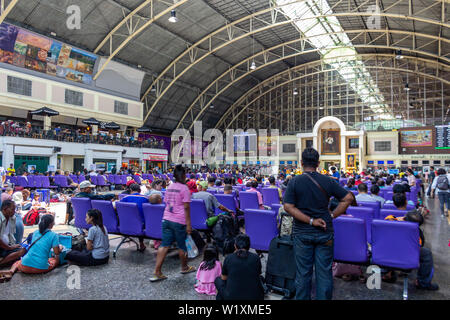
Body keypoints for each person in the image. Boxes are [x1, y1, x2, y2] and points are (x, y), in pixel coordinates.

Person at [283, 148, 353, 300]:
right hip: (324, 232)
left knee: (303, 274)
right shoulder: (328, 181)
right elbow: (348, 198)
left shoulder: (294, 181)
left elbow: (288, 207)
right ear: (318, 163)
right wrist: (333, 215)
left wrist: (309, 220)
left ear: (301, 163)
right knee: (324, 273)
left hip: (302, 233)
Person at [383, 193, 439, 290]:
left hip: (387, 251)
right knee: (426, 254)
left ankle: (386, 272)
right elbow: (419, 245)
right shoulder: (416, 232)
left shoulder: (389, 219)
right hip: (406, 254)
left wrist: (398, 219)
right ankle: (423, 282)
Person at [150, 165, 195, 282]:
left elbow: (166, 202)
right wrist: (189, 224)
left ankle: (157, 272)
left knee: (164, 245)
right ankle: (184, 267)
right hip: (179, 221)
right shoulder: (184, 188)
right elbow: (186, 208)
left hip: (166, 219)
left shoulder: (169, 187)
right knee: (182, 246)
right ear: (184, 175)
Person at [214, 234, 265, 300]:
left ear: (235, 246)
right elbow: (257, 274)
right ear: (249, 246)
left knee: (218, 280)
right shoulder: (256, 258)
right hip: (255, 297)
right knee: (261, 279)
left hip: (232, 297)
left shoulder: (229, 258)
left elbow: (224, 278)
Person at [120, 184, 149, 252]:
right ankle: (141, 243)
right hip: (141, 224)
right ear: (140, 190)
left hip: (125, 224)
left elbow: (116, 207)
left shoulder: (125, 198)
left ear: (130, 190)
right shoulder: (146, 198)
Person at [0, 200, 26, 268]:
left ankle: (3, 261)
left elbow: (10, 235)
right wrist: (9, 248)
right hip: (3, 247)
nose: (14, 211)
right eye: (12, 209)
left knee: (23, 250)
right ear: (5, 209)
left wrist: (13, 246)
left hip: (6, 246)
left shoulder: (13, 218)